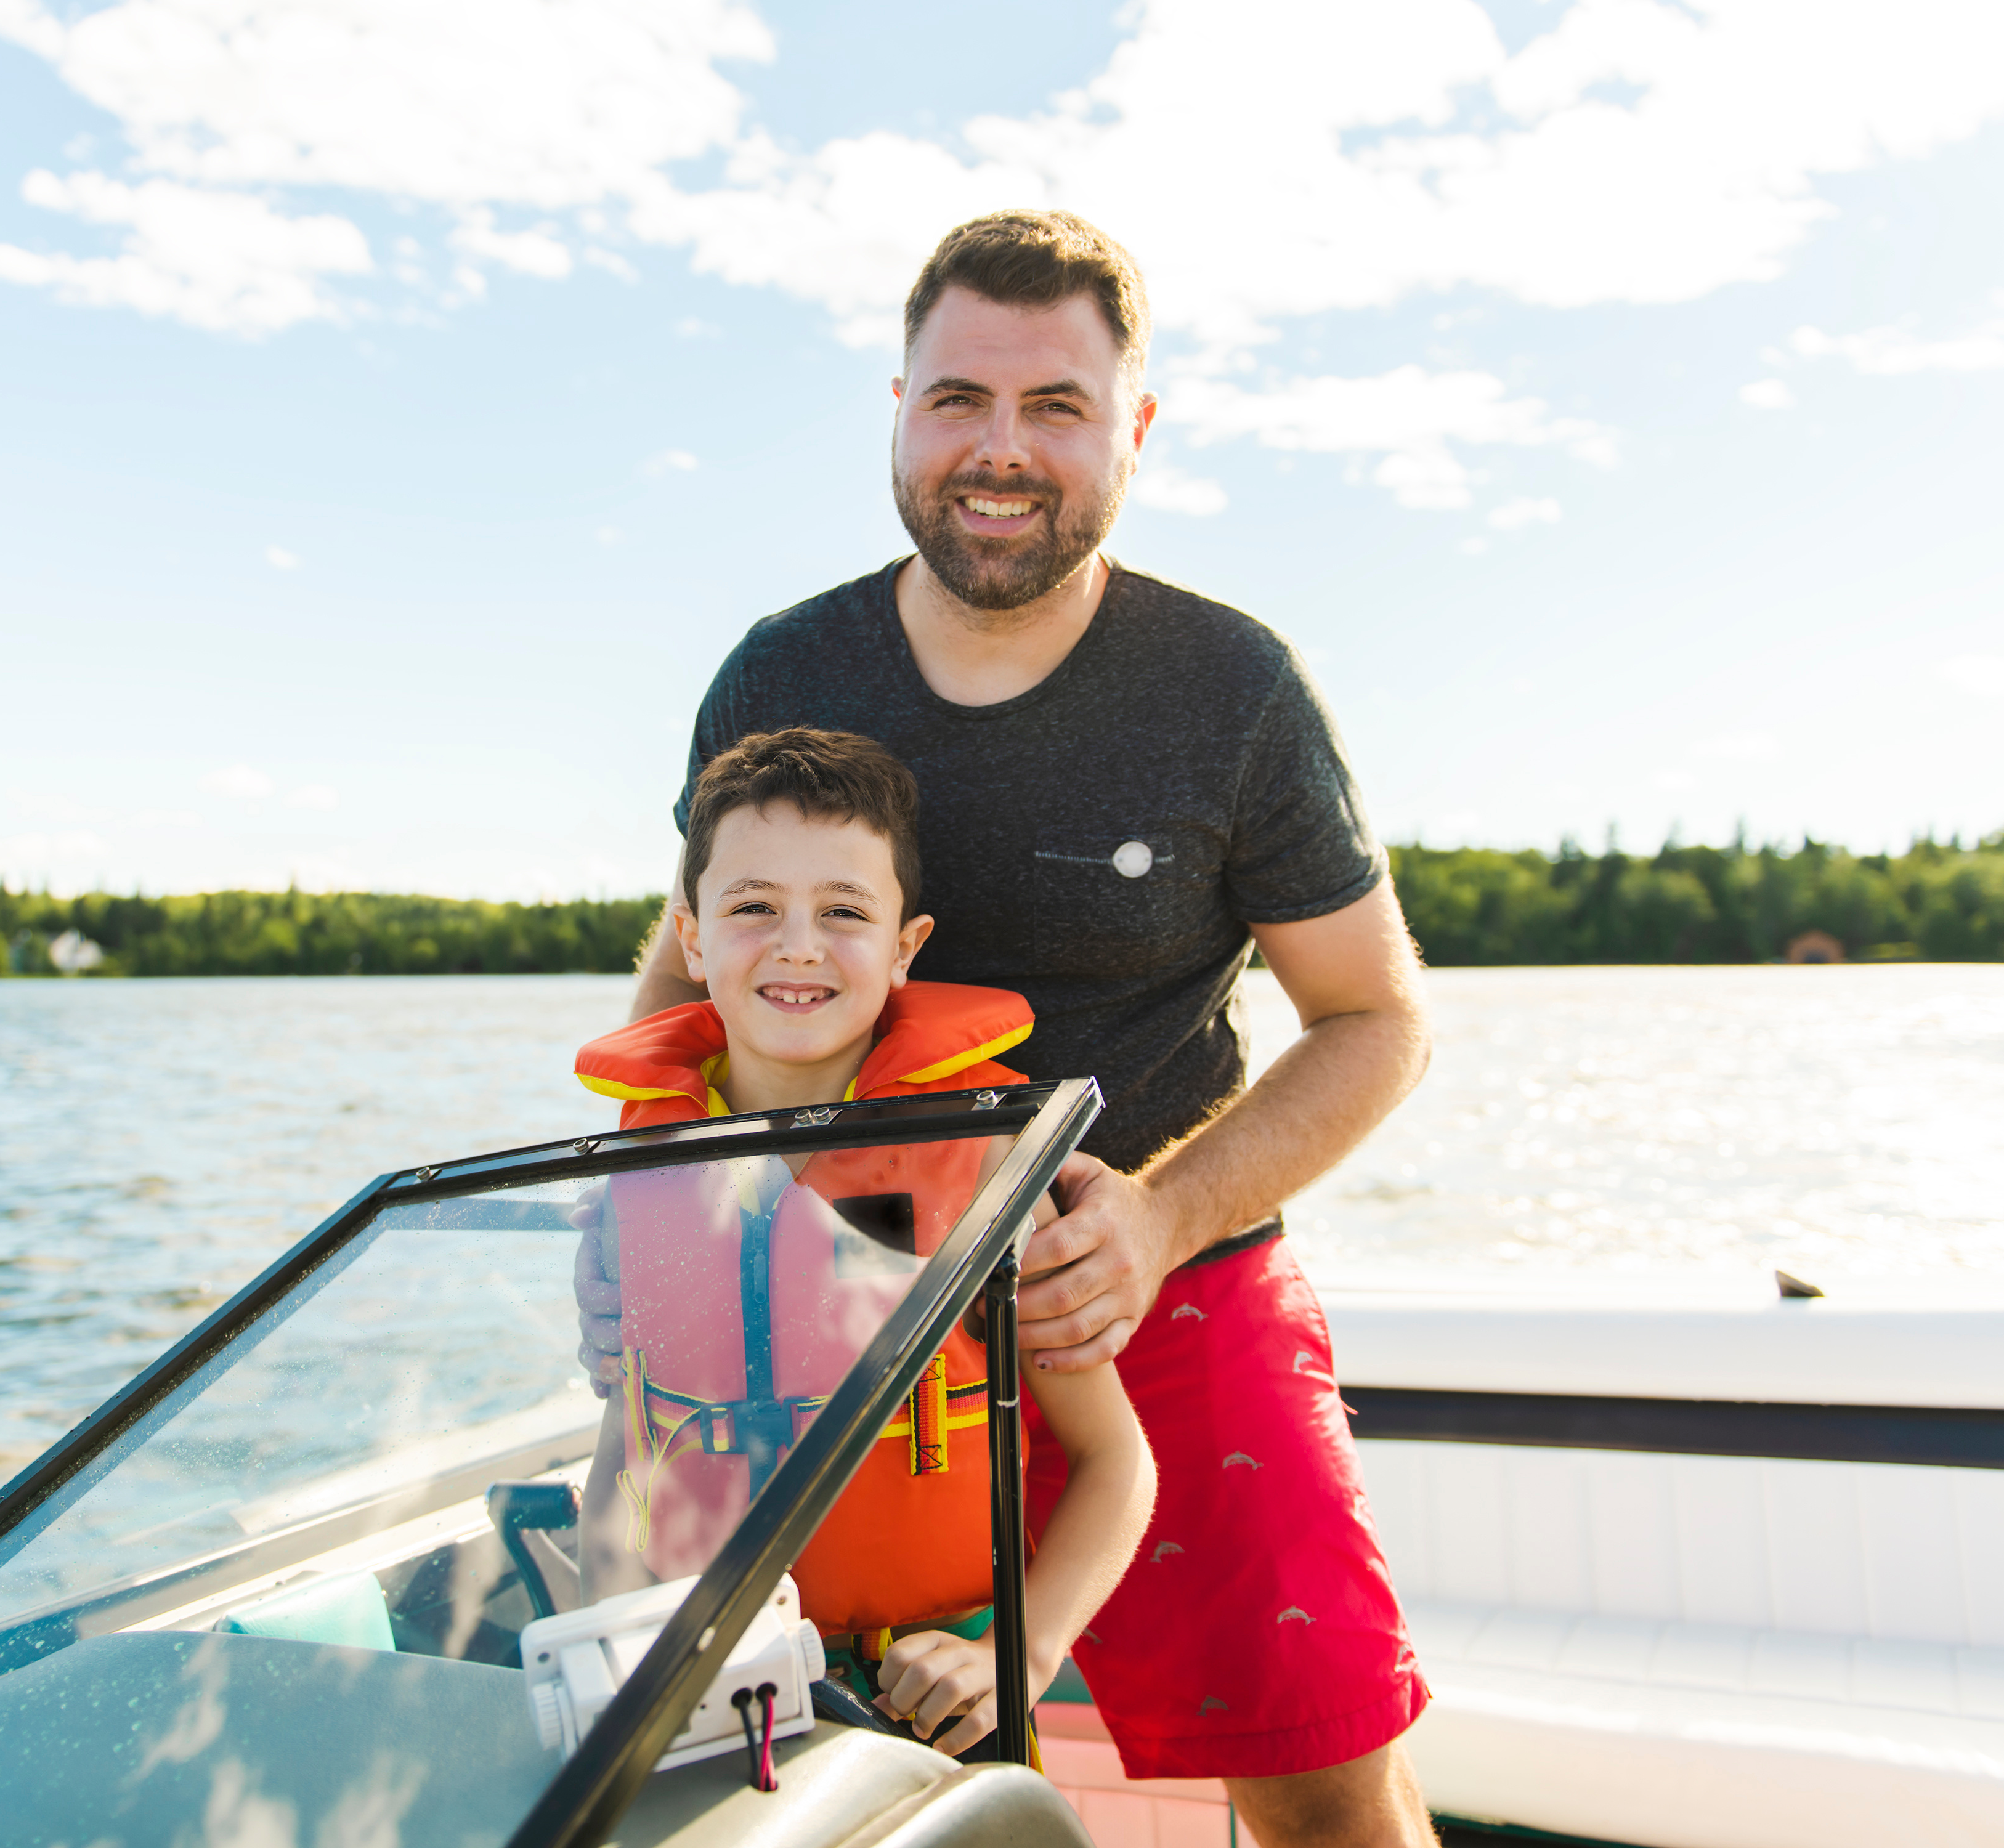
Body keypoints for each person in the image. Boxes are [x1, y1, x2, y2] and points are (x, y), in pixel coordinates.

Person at [577, 212, 1438, 1847]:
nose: (999, 450)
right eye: (958, 398)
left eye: (1055, 406)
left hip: (1164, 1287)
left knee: (1329, 1787)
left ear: (1133, 429)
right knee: (839, 1786)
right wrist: (632, 1252)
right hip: (842, 1325)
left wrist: (1159, 1213)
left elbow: (1374, 1018)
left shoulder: (1232, 689)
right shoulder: (780, 670)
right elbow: (695, 954)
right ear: (897, 407)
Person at [570, 726, 1154, 1759]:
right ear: (692, 939)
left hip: (931, 1698)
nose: (799, 944)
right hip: (703, 1689)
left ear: (905, 947)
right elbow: (632, 1440)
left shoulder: (980, 1170)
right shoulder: (646, 1170)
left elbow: (1119, 1462)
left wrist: (1019, 1658)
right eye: (753, 908)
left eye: (843, 912)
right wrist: (606, 1642)